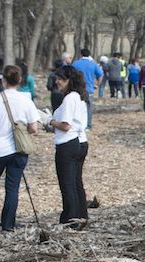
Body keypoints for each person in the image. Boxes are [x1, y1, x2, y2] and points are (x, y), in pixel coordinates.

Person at [0, 65, 40, 232]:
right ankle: (8, 224)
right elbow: (34, 128)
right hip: (18, 150)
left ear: (3, 80)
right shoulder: (26, 99)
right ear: (20, 81)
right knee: (12, 187)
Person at [46, 66, 89, 230]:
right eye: (56, 78)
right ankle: (81, 215)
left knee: (67, 184)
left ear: (69, 80)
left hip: (67, 143)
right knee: (76, 182)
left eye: (60, 79)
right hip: (78, 141)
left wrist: (50, 121)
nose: (57, 81)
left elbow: (65, 125)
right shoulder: (79, 96)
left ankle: (70, 219)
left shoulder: (70, 98)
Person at [71, 48, 103, 129]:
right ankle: (88, 125)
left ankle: (77, 124)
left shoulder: (75, 64)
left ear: (81, 54)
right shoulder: (93, 64)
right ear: (89, 55)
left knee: (76, 107)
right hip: (89, 89)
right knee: (88, 107)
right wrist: (97, 85)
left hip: (77, 89)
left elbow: (70, 75)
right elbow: (100, 75)